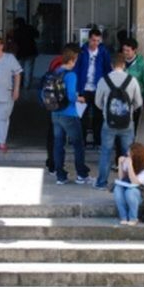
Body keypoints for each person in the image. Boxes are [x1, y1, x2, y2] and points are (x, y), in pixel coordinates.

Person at [94, 53, 143, 190]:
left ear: (111, 65)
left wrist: (107, 111)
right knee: (129, 153)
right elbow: (138, 102)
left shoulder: (103, 80)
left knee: (106, 152)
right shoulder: (132, 80)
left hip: (109, 122)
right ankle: (129, 181)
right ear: (124, 65)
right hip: (127, 123)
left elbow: (97, 102)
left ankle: (101, 182)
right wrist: (129, 110)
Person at [51, 44, 93, 186]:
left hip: (55, 113)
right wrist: (80, 98)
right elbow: (70, 96)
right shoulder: (71, 75)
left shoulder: (56, 71)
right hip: (69, 114)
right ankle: (81, 175)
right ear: (72, 59)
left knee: (58, 144)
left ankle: (60, 176)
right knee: (78, 145)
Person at [75, 28, 111, 148]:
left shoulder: (103, 52)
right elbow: (76, 69)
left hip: (98, 89)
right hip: (84, 88)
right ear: (89, 39)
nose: (95, 43)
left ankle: (97, 141)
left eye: (98, 41)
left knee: (98, 116)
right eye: (93, 40)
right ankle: (82, 142)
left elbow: (107, 69)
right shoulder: (82, 52)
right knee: (82, 116)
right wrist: (77, 89)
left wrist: (106, 87)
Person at [114, 143, 144, 226]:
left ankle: (133, 218)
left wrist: (130, 166)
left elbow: (135, 182)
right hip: (127, 189)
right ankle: (123, 217)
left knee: (130, 191)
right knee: (117, 188)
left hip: (140, 195)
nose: (127, 154)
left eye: (130, 152)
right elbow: (121, 178)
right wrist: (120, 164)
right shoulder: (128, 161)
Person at [121, 38, 144, 135]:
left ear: (134, 50)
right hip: (120, 99)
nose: (125, 53)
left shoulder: (142, 64)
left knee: (133, 127)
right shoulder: (120, 61)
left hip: (135, 100)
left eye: (128, 50)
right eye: (124, 50)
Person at [43, 54, 64, 174]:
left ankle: (51, 162)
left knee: (52, 135)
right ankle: (56, 164)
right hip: (61, 109)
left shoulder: (51, 71)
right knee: (59, 137)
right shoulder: (65, 73)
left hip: (50, 106)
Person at [13, 17, 39, 90]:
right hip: (30, 52)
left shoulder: (17, 31)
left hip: (20, 53)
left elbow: (15, 42)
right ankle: (26, 87)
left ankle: (18, 85)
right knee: (28, 70)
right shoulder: (30, 28)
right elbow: (37, 35)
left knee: (19, 70)